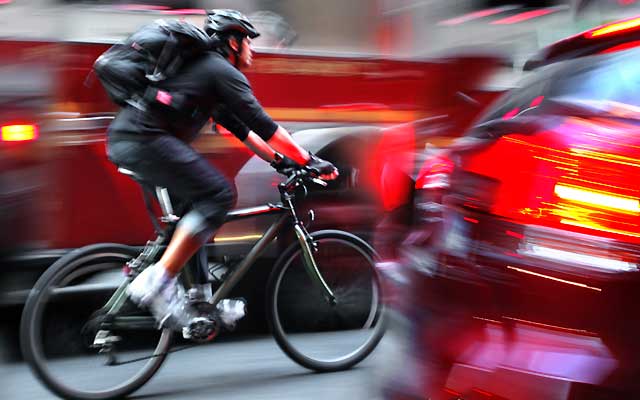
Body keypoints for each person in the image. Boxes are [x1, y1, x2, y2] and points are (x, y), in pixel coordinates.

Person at [106, 9, 338, 331]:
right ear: (233, 41)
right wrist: (309, 160)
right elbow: (264, 123)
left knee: (196, 211)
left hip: (132, 141)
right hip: (143, 141)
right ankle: (157, 280)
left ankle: (198, 303)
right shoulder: (220, 72)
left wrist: (280, 161)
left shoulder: (207, 77)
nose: (252, 50)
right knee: (219, 195)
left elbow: (244, 131)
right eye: (248, 42)